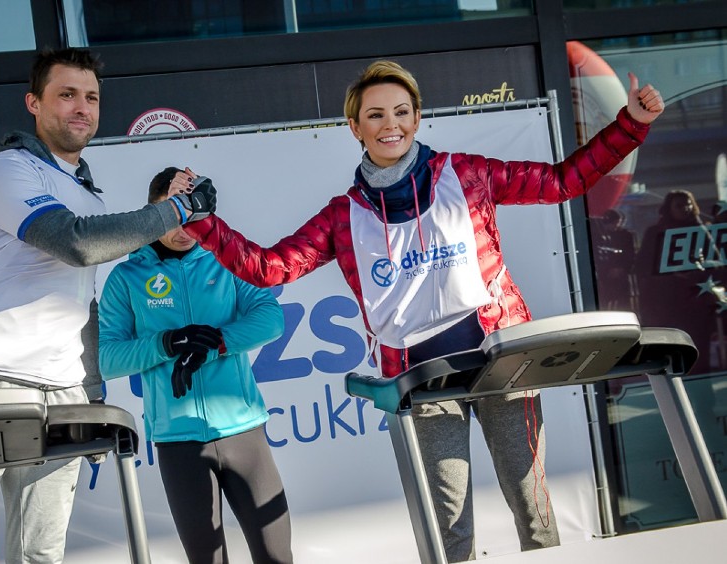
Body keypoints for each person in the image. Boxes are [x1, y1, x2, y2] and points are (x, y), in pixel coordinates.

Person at [182, 60, 664, 562]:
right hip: (422, 380)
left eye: (400, 112)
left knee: (534, 514)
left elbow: (563, 181)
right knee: (450, 532)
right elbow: (269, 267)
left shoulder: (469, 174)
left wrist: (629, 124)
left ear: (416, 119)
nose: (390, 124)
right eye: (375, 115)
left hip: (502, 363)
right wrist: (199, 220)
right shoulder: (343, 216)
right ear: (355, 128)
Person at [0, 48, 215, 564]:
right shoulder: (5, 168)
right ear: (33, 104)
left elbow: (95, 262)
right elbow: (76, 242)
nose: (82, 107)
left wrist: (163, 213)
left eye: (91, 97)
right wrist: (174, 209)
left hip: (61, 391)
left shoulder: (88, 193)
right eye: (66, 95)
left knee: (41, 553)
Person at [98, 166, 293, 564]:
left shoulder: (224, 260)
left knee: (276, 557)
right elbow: (107, 357)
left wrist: (216, 342)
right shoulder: (126, 277)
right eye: (171, 213)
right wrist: (168, 342)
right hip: (178, 442)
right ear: (153, 212)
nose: (183, 226)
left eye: (191, 214)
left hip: (244, 432)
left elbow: (270, 318)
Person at [634, 189, 720, 373]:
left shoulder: (699, 229)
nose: (686, 208)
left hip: (695, 301)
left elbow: (717, 262)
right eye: (679, 205)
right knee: (673, 352)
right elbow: (642, 265)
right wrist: (669, 272)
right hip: (666, 301)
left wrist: (700, 269)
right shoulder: (656, 232)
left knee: (698, 351)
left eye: (688, 203)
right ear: (669, 208)